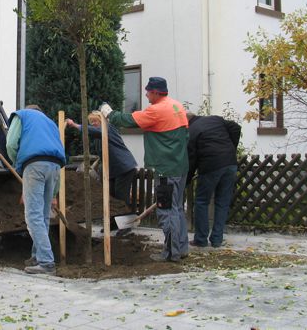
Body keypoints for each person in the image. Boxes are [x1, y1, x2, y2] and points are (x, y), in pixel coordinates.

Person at [100, 77, 189, 262]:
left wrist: (109, 113)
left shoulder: (157, 110)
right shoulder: (176, 106)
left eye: (148, 91)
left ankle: (171, 254)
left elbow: (128, 120)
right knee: (177, 208)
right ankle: (181, 248)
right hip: (180, 167)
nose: (146, 94)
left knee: (166, 211)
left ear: (156, 92)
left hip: (166, 168)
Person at [6, 105, 66, 275]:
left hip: (34, 166)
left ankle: (47, 262)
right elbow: (58, 153)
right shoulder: (50, 123)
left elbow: (11, 143)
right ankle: (37, 256)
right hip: (54, 167)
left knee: (33, 215)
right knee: (43, 215)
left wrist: (18, 165)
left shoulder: (22, 115)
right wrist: (55, 193)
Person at [186, 112, 241, 248]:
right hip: (230, 164)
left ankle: (201, 239)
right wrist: (231, 149)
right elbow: (236, 127)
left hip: (211, 167)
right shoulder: (216, 119)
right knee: (222, 202)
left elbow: (191, 160)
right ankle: (217, 240)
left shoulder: (191, 131)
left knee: (201, 201)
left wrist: (186, 180)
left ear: (186, 121)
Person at [65, 112, 137, 209]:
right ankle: (115, 221)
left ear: (102, 121)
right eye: (91, 122)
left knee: (121, 197)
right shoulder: (98, 138)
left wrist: (74, 125)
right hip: (114, 170)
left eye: (96, 121)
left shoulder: (108, 128)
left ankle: (125, 221)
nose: (94, 123)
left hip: (123, 167)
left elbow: (91, 130)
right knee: (111, 196)